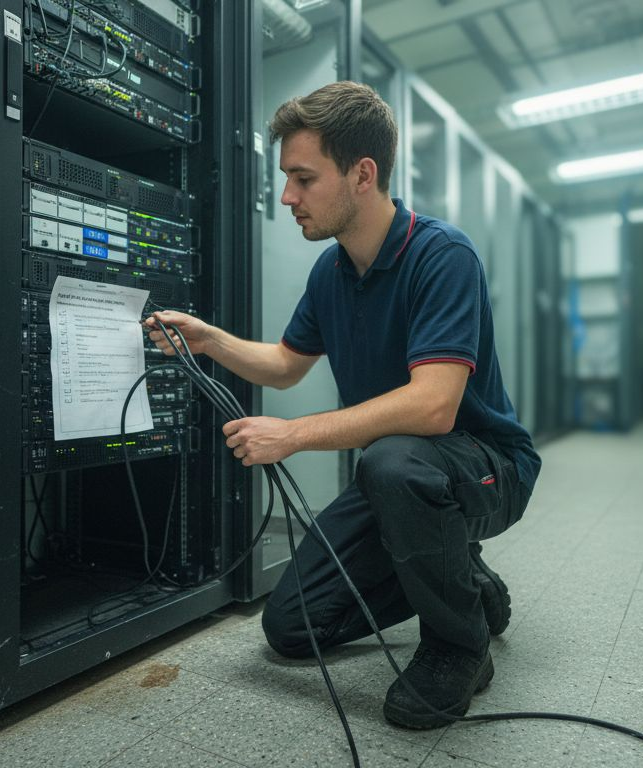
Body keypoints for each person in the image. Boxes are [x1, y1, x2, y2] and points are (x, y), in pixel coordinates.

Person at [143, 81, 540, 729]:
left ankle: (458, 644)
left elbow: (436, 406)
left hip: (486, 467)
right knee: (293, 626)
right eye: (286, 179)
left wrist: (292, 436)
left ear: (363, 174)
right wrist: (211, 341)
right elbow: (285, 365)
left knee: (391, 464)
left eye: (303, 178)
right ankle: (462, 581)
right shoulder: (330, 273)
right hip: (402, 479)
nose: (288, 197)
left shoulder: (441, 256)